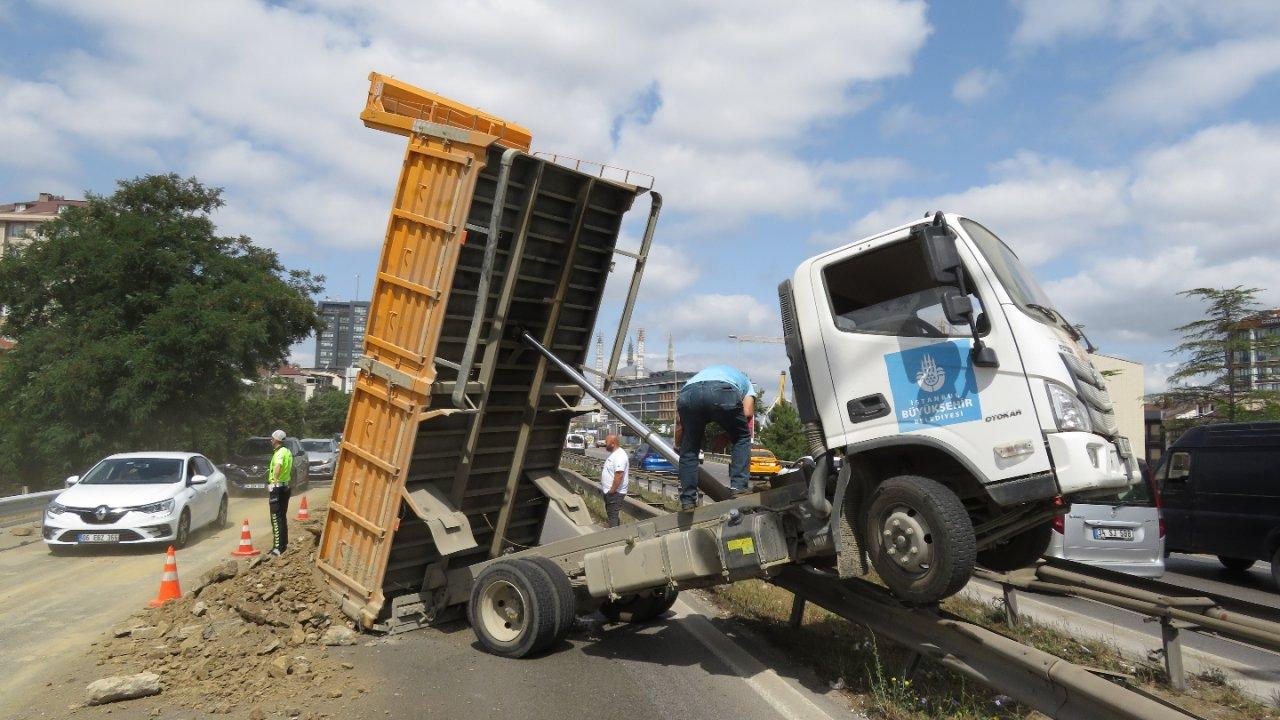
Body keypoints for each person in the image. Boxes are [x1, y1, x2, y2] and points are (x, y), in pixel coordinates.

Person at [673, 365, 755, 510]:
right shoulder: (746, 383)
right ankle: (738, 487)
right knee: (742, 437)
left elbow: (680, 423)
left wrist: (679, 444)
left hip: (688, 394)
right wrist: (726, 435)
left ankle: (688, 500)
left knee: (690, 448)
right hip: (722, 391)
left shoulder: (699, 376)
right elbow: (747, 413)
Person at [266, 429, 293, 556]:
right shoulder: (287, 451)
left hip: (278, 488)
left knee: (276, 518)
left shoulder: (280, 453)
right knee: (282, 516)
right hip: (285, 487)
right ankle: (283, 544)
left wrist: (274, 482)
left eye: (272, 438)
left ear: (276, 440)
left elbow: (278, 466)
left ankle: (277, 548)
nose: (271, 440)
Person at [599, 434, 629, 528]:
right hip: (611, 492)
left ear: (613, 443)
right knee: (611, 514)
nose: (605, 444)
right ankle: (614, 532)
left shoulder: (620, 456)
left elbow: (619, 475)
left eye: (606, 442)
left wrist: (612, 490)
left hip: (615, 492)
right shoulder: (614, 454)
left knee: (613, 516)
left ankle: (614, 537)